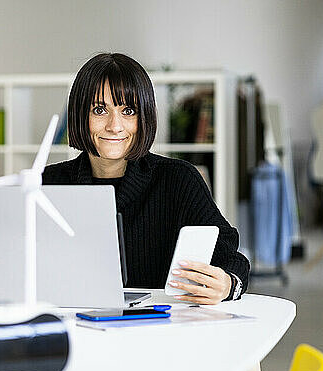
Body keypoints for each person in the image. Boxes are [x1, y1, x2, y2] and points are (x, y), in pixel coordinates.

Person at [42, 53, 249, 304]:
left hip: (160, 328)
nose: (114, 125)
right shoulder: (48, 183)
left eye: (128, 111)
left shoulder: (177, 179)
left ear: (144, 118)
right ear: (79, 115)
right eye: (99, 110)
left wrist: (228, 284)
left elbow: (231, 256)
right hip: (75, 326)